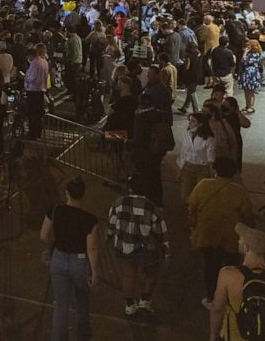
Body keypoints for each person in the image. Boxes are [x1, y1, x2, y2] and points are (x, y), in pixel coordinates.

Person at [187, 156, 254, 308]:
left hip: (206, 234)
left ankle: (212, 298)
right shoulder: (239, 191)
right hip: (231, 237)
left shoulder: (203, 185)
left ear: (214, 169)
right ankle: (231, 299)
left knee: (210, 266)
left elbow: (191, 206)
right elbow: (248, 215)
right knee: (231, 268)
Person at [39, 177, 99, 341]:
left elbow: (43, 235)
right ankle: (83, 334)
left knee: (61, 304)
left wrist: (54, 244)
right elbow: (91, 248)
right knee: (81, 301)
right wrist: (95, 272)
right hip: (78, 262)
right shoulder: (89, 220)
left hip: (58, 259)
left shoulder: (55, 210)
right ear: (82, 195)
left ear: (67, 193)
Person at [208, 224, 265, 341]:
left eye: (241, 239)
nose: (238, 241)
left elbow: (217, 308)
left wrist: (213, 335)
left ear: (246, 247)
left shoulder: (228, 275)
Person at [107, 173, 170, 316]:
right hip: (145, 248)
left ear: (131, 189)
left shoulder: (119, 203)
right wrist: (167, 251)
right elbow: (161, 233)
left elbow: (111, 224)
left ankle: (130, 305)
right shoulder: (152, 208)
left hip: (124, 246)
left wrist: (109, 236)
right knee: (151, 273)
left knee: (129, 274)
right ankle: (145, 301)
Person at [178, 113, 215, 202]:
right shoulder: (186, 134)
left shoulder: (209, 139)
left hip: (202, 169)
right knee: (185, 196)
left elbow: (211, 159)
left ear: (201, 124)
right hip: (188, 167)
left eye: (193, 121)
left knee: (200, 197)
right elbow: (183, 153)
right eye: (189, 121)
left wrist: (212, 175)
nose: (190, 123)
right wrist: (181, 169)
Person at [25, 44, 50, 139]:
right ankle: (38, 133)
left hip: (33, 91)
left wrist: (25, 78)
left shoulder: (35, 63)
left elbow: (31, 77)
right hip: (41, 90)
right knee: (39, 115)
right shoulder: (45, 62)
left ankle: (33, 134)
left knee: (33, 115)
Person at [236, 40, 263, 114]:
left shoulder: (256, 54)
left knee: (251, 91)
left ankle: (251, 107)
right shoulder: (250, 54)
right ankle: (247, 105)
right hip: (246, 73)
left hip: (251, 73)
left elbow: (245, 62)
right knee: (246, 91)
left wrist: (245, 53)